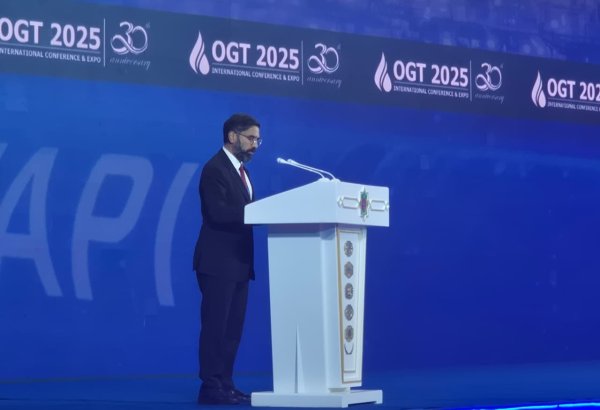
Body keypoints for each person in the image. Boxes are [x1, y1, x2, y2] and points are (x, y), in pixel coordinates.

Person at [193, 113, 261, 405]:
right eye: (251, 138)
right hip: (218, 262)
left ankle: (226, 383)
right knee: (216, 327)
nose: (255, 144)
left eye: (258, 140)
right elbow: (217, 213)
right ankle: (210, 387)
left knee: (233, 330)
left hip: (240, 263)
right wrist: (257, 212)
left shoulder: (242, 172)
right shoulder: (215, 169)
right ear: (233, 136)